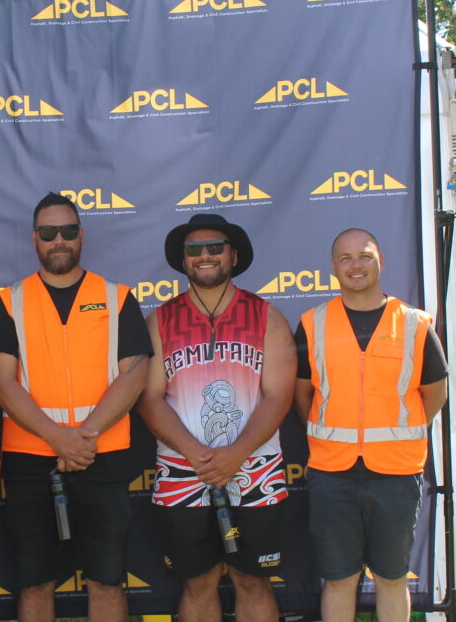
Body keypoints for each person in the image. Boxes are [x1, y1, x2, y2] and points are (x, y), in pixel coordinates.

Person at [0, 192, 151, 622]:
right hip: (29, 459)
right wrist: (58, 437)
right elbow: (3, 383)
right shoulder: (8, 302)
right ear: (34, 238)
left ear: (81, 235)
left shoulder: (117, 297)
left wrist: (83, 438)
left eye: (68, 230)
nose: (59, 240)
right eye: (48, 232)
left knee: (107, 577)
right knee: (35, 580)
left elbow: (134, 375)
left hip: (103, 455)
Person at [136, 213, 296, 622]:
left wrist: (236, 453)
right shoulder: (160, 320)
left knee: (252, 581)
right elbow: (149, 398)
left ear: (234, 255)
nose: (204, 256)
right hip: (182, 470)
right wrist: (196, 453)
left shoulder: (267, 317)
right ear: (183, 260)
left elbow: (279, 395)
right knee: (197, 582)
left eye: (214, 247)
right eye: (194, 250)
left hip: (255, 468)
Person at [293, 228, 447, 622]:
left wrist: (394, 434)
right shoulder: (313, 323)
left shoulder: (414, 324)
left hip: (396, 474)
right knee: (339, 579)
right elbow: (302, 395)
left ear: (381, 261)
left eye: (364, 255)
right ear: (332, 267)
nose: (355, 265)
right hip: (332, 473)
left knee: (392, 578)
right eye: (345, 258)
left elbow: (435, 395)